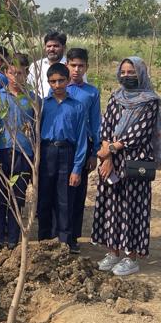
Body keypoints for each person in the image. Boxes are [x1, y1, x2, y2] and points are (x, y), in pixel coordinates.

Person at [91, 56, 161, 276]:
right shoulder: (115, 97)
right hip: (111, 163)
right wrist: (107, 157)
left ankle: (130, 257)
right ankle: (112, 252)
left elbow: (138, 134)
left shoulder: (150, 101)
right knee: (110, 205)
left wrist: (111, 150)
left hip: (135, 161)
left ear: (140, 73)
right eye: (123, 72)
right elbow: (106, 127)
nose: (126, 76)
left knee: (132, 208)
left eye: (131, 72)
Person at [36, 63, 88, 251]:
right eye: (53, 81)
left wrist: (77, 168)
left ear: (67, 81)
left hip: (67, 152)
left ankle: (65, 240)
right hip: (47, 152)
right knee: (45, 197)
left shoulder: (77, 106)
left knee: (65, 198)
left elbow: (82, 139)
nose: (57, 85)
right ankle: (44, 239)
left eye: (60, 81)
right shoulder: (42, 105)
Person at [0, 53, 35, 248]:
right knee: (0, 196)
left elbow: (36, 130)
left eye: (19, 73)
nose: (15, 77)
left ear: (26, 74)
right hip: (2, 151)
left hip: (24, 153)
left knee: (18, 196)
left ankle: (13, 238)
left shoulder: (33, 100)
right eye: (11, 72)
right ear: (5, 73)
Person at [65, 47, 101, 247]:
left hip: (83, 147)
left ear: (86, 67)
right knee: (58, 193)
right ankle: (57, 234)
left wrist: (95, 152)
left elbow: (96, 123)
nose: (77, 70)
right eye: (73, 65)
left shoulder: (91, 92)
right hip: (60, 146)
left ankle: (72, 238)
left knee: (77, 192)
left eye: (81, 66)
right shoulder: (58, 87)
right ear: (66, 65)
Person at [28, 31, 68, 97]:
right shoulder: (36, 65)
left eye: (55, 46)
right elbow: (29, 87)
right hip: (39, 105)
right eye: (49, 46)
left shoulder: (70, 66)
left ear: (64, 47)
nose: (51, 49)